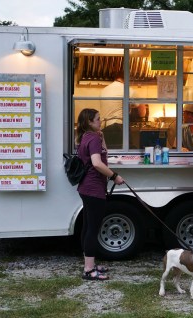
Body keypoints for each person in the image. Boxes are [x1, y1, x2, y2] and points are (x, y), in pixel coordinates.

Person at [76, 108, 125, 281]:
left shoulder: (87, 137)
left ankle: (88, 263)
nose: (100, 121)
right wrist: (114, 176)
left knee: (88, 226)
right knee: (93, 228)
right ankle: (89, 270)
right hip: (94, 188)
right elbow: (97, 163)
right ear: (89, 121)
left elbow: (103, 155)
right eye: (97, 119)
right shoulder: (93, 138)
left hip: (86, 188)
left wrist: (102, 139)